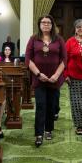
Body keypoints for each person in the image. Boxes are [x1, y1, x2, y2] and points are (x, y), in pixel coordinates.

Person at [25, 15, 66, 147]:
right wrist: (37, 73)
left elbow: (64, 59)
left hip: (54, 79)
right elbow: (28, 59)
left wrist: (57, 75)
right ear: (39, 24)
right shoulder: (33, 39)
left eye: (48, 22)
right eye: (43, 22)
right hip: (39, 79)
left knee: (51, 106)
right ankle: (39, 134)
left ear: (52, 25)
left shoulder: (58, 39)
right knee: (41, 105)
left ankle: (48, 129)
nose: (46, 24)